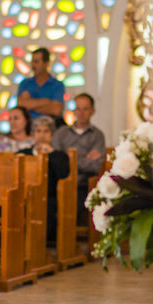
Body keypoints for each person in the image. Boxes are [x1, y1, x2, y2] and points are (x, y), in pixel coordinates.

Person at [51, 93, 106, 221]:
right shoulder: (61, 133)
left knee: (70, 209)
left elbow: (95, 166)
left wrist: (66, 160)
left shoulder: (97, 135)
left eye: (85, 109)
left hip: (82, 185)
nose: (81, 113)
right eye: (78, 109)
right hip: (59, 183)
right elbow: (54, 162)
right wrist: (84, 160)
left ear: (92, 111)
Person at [15, 47, 65, 123]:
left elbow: (56, 110)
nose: (33, 65)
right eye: (32, 62)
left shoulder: (57, 85)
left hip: (50, 125)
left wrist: (30, 103)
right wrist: (47, 102)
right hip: (28, 125)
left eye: (36, 62)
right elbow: (20, 106)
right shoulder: (25, 83)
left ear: (46, 63)